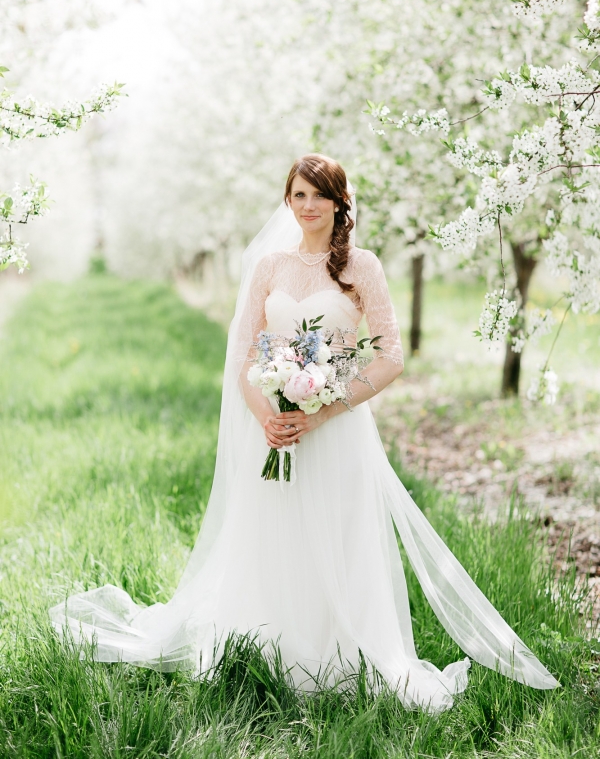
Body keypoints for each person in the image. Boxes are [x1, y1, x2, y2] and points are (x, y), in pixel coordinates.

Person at [50, 154, 558, 712]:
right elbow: (245, 352)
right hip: (274, 432)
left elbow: (390, 355)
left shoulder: (361, 266)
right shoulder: (270, 267)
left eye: (320, 195)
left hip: (336, 431)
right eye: (298, 196)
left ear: (341, 202)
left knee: (338, 538)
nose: (309, 206)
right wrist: (267, 416)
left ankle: (339, 657)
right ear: (287, 203)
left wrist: (323, 407)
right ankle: (269, 650)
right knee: (274, 537)